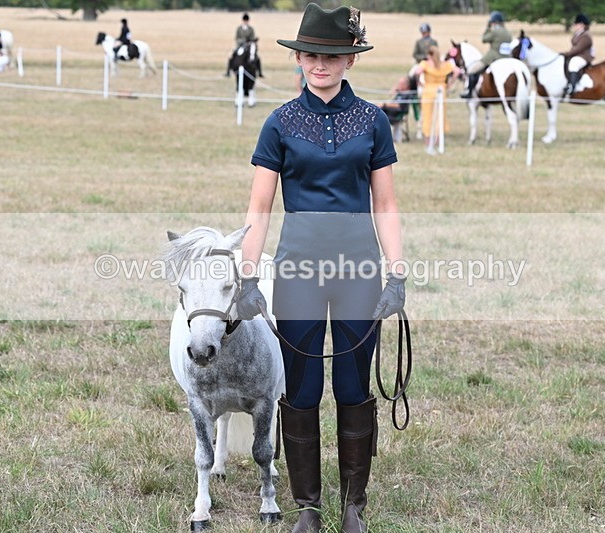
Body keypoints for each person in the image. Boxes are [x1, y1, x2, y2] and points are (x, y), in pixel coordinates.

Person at [237, 4, 406, 532]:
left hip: (359, 270)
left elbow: (387, 205)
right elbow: (260, 209)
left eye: (331, 55)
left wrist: (396, 273)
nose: (320, 64)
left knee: (355, 388)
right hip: (298, 273)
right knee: (303, 389)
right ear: (299, 58)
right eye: (311, 54)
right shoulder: (280, 122)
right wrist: (246, 276)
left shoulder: (374, 120)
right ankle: (308, 507)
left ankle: (353, 505)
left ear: (349, 60)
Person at [460, 10, 512, 98]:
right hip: (507, 57)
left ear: (494, 22)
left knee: (472, 70)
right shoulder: (508, 33)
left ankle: (469, 92)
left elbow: (484, 39)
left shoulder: (495, 31)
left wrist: (488, 27)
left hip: (493, 57)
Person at [419, 45, 454, 153]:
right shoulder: (445, 65)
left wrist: (420, 83)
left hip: (428, 91)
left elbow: (417, 72)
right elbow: (457, 71)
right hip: (441, 90)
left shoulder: (425, 64)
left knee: (427, 116)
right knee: (440, 116)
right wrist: (449, 83)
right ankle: (438, 142)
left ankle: (428, 142)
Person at [563, 13, 595, 99]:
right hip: (577, 55)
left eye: (576, 24)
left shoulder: (586, 36)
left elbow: (578, 49)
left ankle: (572, 87)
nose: (574, 26)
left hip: (584, 56)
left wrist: (566, 54)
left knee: (574, 63)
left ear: (582, 25)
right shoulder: (577, 34)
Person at [381, 76, 415, 143]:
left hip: (397, 114)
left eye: (401, 84)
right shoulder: (400, 93)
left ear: (406, 85)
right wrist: (395, 90)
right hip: (391, 111)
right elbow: (390, 95)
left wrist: (384, 104)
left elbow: (399, 105)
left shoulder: (407, 94)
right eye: (399, 84)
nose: (399, 85)